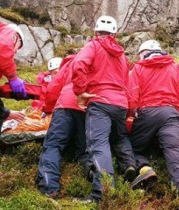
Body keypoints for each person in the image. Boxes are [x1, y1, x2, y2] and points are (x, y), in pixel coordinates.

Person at [128, 40, 179, 209]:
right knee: (174, 152)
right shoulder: (174, 67)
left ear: (145, 52)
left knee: (133, 147)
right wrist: (177, 115)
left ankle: (145, 168)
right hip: (170, 113)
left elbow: (132, 95)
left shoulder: (138, 68)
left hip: (147, 112)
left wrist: (133, 113)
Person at [71, 15, 136, 204]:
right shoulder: (122, 56)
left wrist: (80, 91)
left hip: (100, 101)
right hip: (121, 104)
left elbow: (78, 65)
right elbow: (127, 83)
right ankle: (129, 166)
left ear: (95, 32)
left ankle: (102, 194)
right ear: (114, 34)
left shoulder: (93, 45)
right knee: (119, 137)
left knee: (98, 145)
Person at [36, 54, 88, 198]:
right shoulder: (95, 63)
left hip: (64, 106)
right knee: (85, 150)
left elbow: (53, 88)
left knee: (53, 146)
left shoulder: (69, 64)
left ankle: (49, 187)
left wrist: (47, 109)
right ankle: (96, 180)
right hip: (86, 108)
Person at [0, 22, 26, 134]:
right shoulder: (11, 32)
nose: (15, 51)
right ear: (18, 39)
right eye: (18, 47)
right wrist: (12, 78)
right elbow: (4, 48)